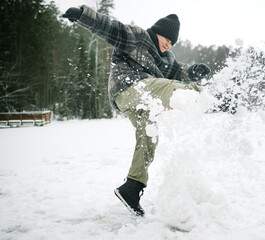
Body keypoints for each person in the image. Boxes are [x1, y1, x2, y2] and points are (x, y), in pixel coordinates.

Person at [62, 5, 211, 217]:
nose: (167, 46)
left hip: (142, 101)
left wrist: (193, 71)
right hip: (128, 87)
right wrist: (82, 15)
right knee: (173, 89)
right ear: (157, 32)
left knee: (149, 134)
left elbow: (179, 71)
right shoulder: (137, 37)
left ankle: (132, 187)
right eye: (166, 41)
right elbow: (110, 27)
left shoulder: (167, 59)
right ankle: (214, 100)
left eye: (171, 44)